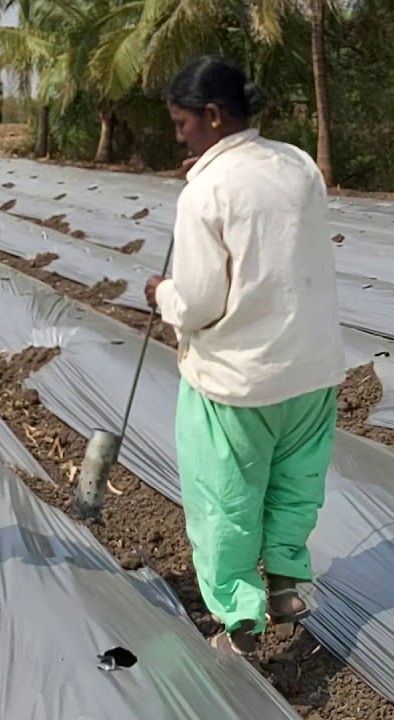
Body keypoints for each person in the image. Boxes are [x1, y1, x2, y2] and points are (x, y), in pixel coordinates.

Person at [145, 56, 345, 658]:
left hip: (238, 382)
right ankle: (285, 596)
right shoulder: (298, 164)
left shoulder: (205, 191)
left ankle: (241, 626)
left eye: (183, 123)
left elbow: (202, 302)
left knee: (225, 504)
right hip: (312, 373)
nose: (179, 134)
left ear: (211, 115)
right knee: (294, 490)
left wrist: (162, 296)